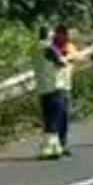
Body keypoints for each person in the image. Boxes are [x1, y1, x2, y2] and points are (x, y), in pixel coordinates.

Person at [34, 24, 76, 159]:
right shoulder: (47, 48)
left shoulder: (39, 48)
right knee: (54, 120)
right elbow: (60, 61)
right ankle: (49, 148)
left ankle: (57, 146)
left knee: (55, 119)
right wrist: (68, 58)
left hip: (47, 87)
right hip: (54, 87)